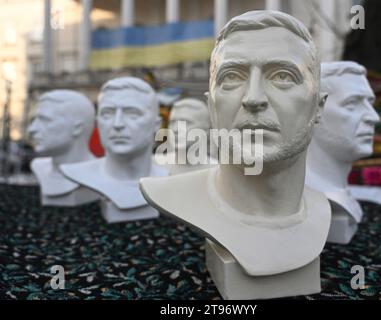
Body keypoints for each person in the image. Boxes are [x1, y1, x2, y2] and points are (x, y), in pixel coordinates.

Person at [141, 10, 330, 277]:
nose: (253, 98)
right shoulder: (173, 195)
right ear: (211, 106)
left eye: (283, 76)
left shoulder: (322, 208)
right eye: (231, 76)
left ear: (318, 106)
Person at [61, 77, 167, 222]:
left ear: (156, 125)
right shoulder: (78, 173)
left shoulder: (168, 178)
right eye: (107, 113)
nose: (117, 124)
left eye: (132, 113)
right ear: (97, 122)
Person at [306, 61, 380, 243]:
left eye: (370, 103)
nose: (373, 117)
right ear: (312, 111)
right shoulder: (304, 195)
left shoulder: (339, 193)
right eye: (352, 104)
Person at [28, 90, 99, 206]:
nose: (32, 129)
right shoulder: (38, 166)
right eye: (34, 120)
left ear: (77, 128)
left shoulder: (100, 175)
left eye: (45, 120)